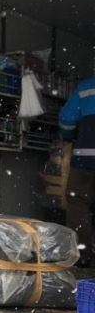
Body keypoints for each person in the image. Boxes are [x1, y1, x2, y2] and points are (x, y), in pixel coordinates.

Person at [60, 76, 95, 266]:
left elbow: (66, 119)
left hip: (85, 158)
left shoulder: (85, 88)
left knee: (78, 202)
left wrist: (70, 136)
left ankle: (82, 254)